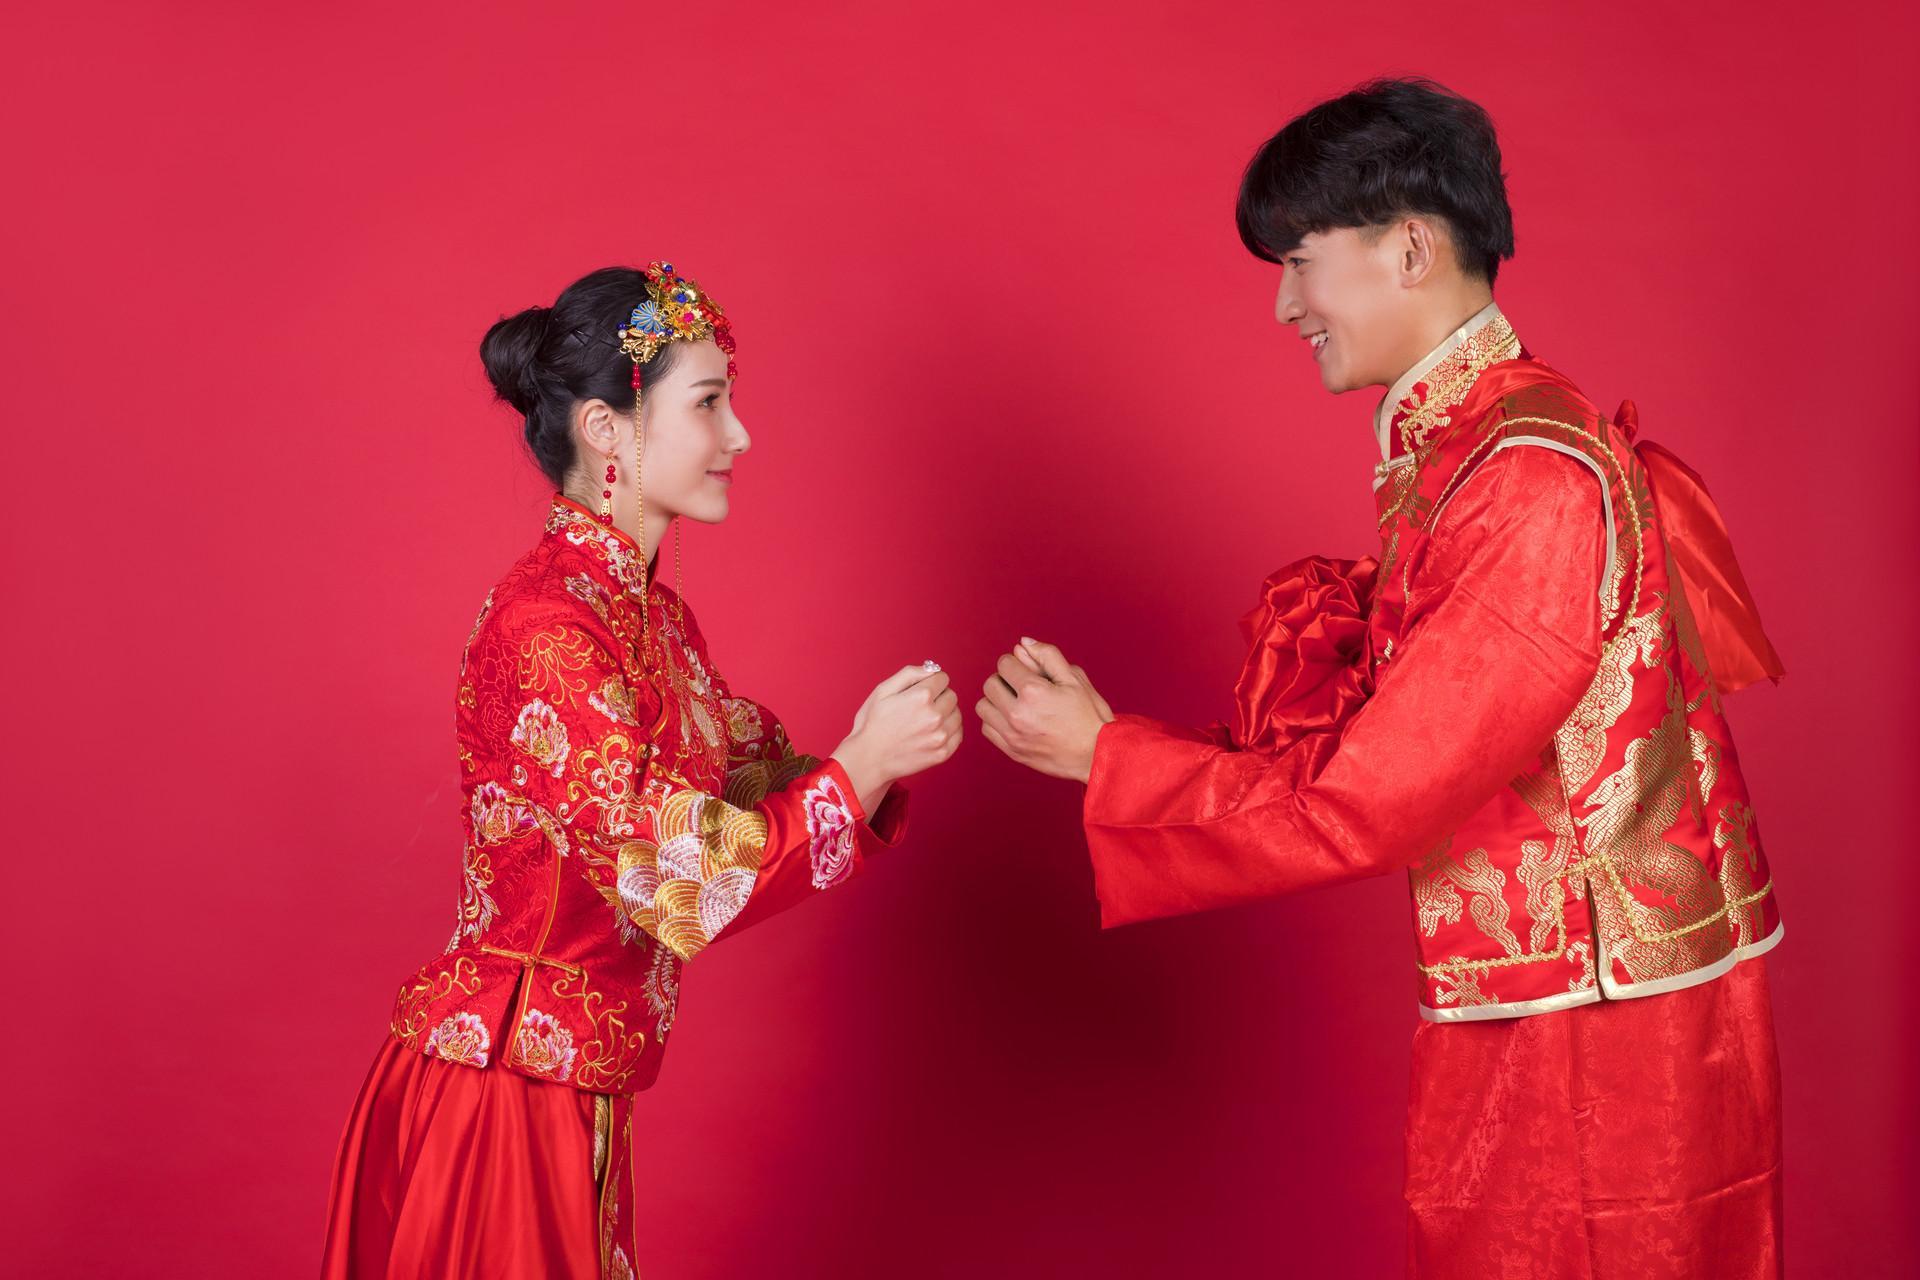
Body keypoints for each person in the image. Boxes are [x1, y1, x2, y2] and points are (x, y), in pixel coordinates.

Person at [977, 80, 1787, 1277]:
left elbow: (1376, 794)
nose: (1284, 303)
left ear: (1408, 249)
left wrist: (1114, 759)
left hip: (1598, 1036)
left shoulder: (1527, 478)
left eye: (1301, 262)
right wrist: (1123, 744)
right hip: (1557, 998)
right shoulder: (1475, 449)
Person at [322, 262, 961, 1279]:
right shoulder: (547, 628)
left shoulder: (654, 622)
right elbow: (669, 875)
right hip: (506, 1088)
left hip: (575, 1089)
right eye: (708, 403)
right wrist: (862, 766)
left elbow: (756, 779)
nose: (739, 436)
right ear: (605, 430)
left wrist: (876, 762)